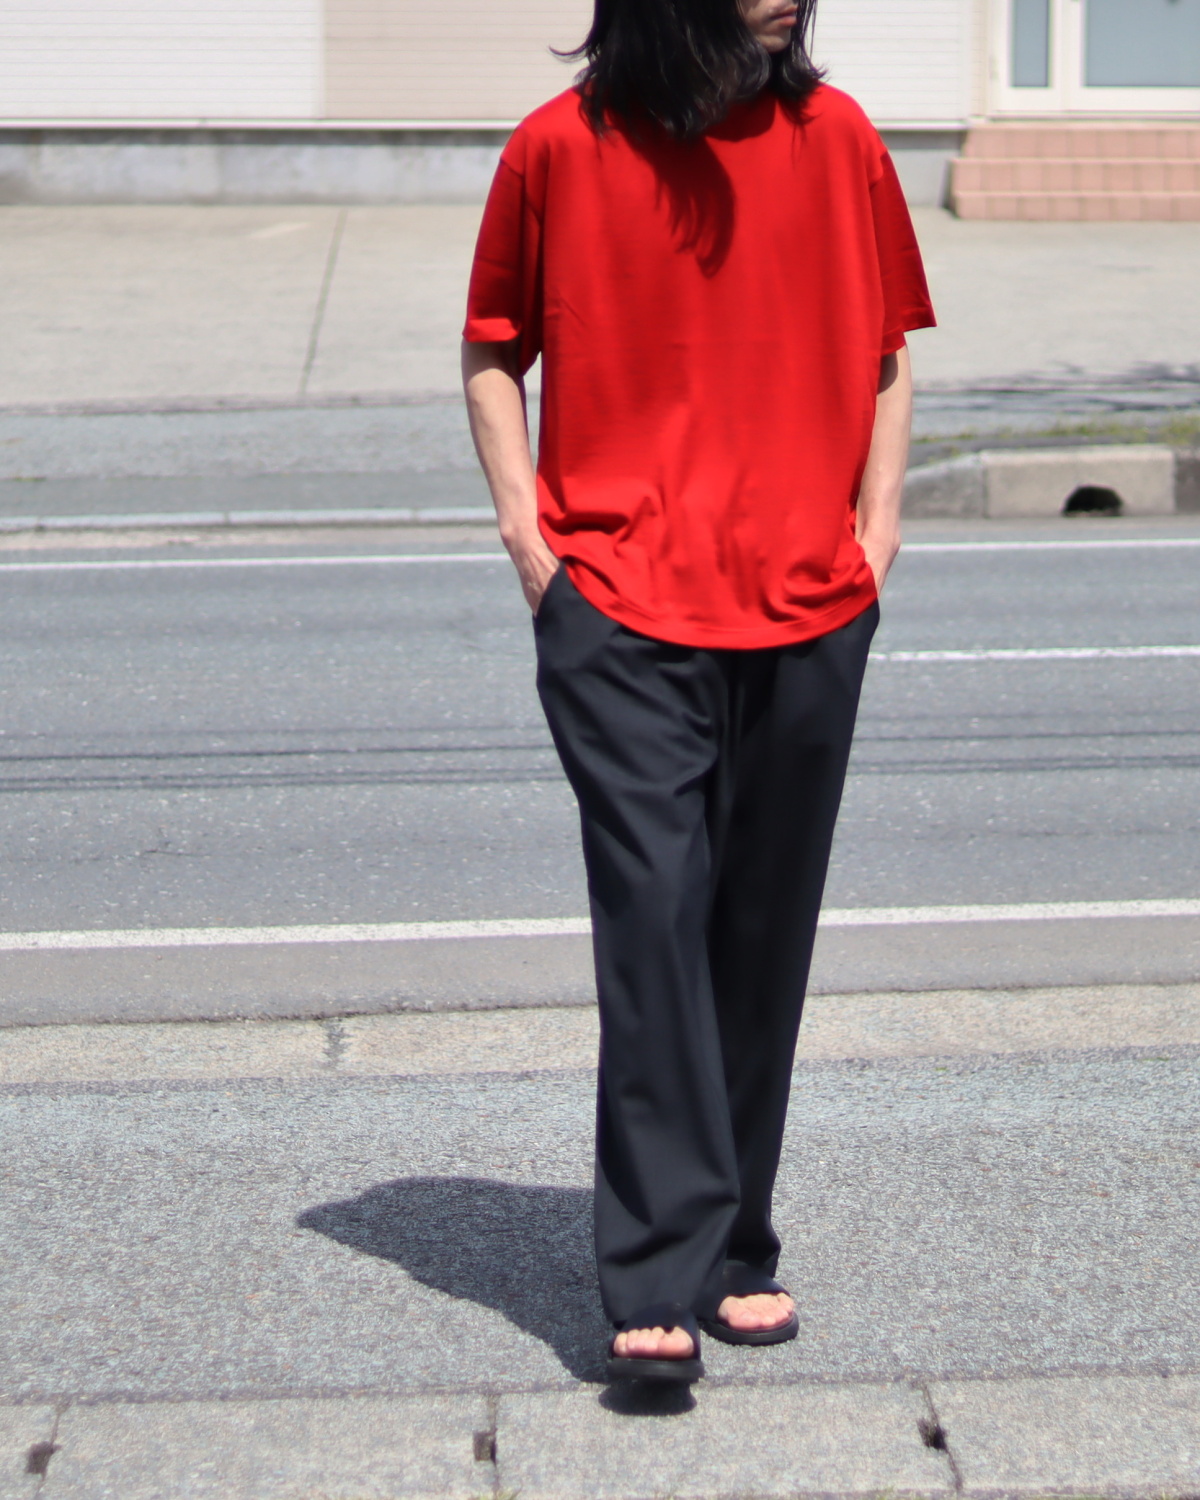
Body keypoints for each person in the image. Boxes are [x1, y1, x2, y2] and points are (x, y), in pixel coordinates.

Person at [461, 0, 934, 1384]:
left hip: (810, 600)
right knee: (658, 917)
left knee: (761, 935)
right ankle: (656, 1268)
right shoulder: (557, 149)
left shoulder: (838, 140)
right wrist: (530, 543)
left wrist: (877, 534)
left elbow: (888, 353)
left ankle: (733, 1244)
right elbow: (492, 348)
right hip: (619, 607)